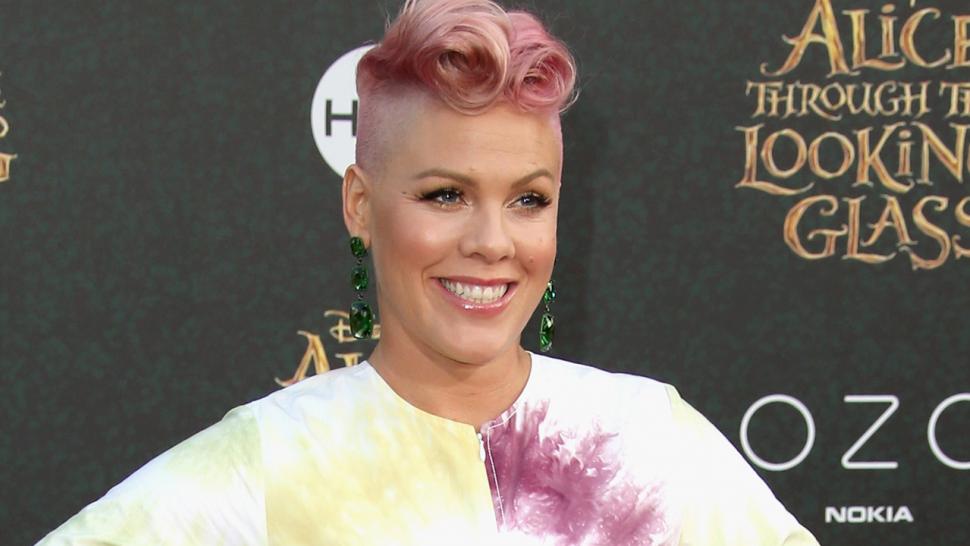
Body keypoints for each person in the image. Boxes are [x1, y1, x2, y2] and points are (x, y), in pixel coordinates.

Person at [38, 0, 820, 544]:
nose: (492, 241)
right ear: (360, 203)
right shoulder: (271, 462)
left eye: (528, 199)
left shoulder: (649, 441)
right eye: (446, 195)